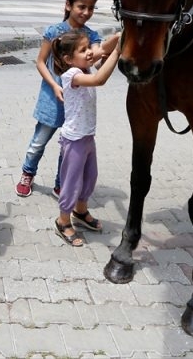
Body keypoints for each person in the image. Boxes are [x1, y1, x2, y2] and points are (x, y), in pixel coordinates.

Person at [14, 0, 119, 199]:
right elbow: (41, 62)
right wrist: (54, 85)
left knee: (69, 147)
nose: (86, 12)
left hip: (77, 103)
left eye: (91, 8)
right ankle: (27, 173)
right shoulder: (54, 31)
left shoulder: (92, 35)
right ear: (69, 5)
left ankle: (61, 184)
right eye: (82, 6)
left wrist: (115, 44)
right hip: (51, 99)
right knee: (38, 142)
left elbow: (98, 58)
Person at [50, 30, 121, 246]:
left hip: (88, 136)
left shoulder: (83, 65)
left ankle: (80, 213)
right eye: (83, 50)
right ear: (68, 59)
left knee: (90, 177)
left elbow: (103, 49)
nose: (90, 52)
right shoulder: (72, 75)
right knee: (71, 182)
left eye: (89, 46)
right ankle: (63, 221)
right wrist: (117, 52)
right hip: (74, 140)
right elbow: (100, 80)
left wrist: (121, 35)